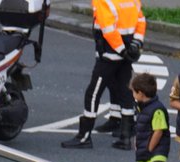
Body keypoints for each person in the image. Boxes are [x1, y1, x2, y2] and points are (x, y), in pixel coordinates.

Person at [62, 0, 146, 150]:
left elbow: (108, 30)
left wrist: (121, 50)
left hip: (109, 55)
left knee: (93, 93)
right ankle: (126, 136)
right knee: (126, 92)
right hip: (126, 55)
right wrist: (135, 45)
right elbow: (141, 21)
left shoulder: (103, 1)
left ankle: (84, 136)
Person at [130, 72, 169, 162]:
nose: (132, 94)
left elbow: (158, 131)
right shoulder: (141, 108)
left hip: (156, 152)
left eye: (133, 92)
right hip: (143, 153)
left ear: (141, 93)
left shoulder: (157, 110)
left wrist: (149, 149)